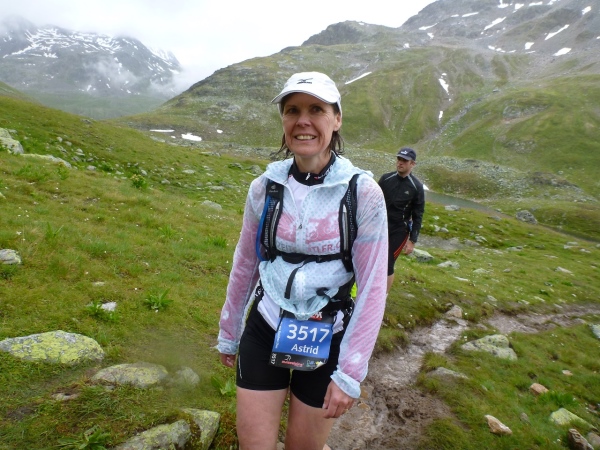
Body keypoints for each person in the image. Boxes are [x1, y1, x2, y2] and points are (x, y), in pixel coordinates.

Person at [217, 72, 388, 450]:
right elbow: (245, 263)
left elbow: (373, 287)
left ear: (336, 119)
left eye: (316, 110)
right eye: (292, 110)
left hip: (328, 334)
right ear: (283, 119)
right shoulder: (264, 188)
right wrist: (229, 333)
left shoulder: (363, 193)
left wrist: (350, 373)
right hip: (265, 325)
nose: (303, 121)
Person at [378, 147, 425, 292]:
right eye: (399, 159)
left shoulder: (416, 187)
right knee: (372, 259)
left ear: (412, 164)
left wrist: (412, 240)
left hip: (399, 230)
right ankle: (370, 291)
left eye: (405, 160)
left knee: (388, 262)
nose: (400, 162)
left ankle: (383, 298)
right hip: (379, 226)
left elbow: (418, 214)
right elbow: (373, 202)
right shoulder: (386, 178)